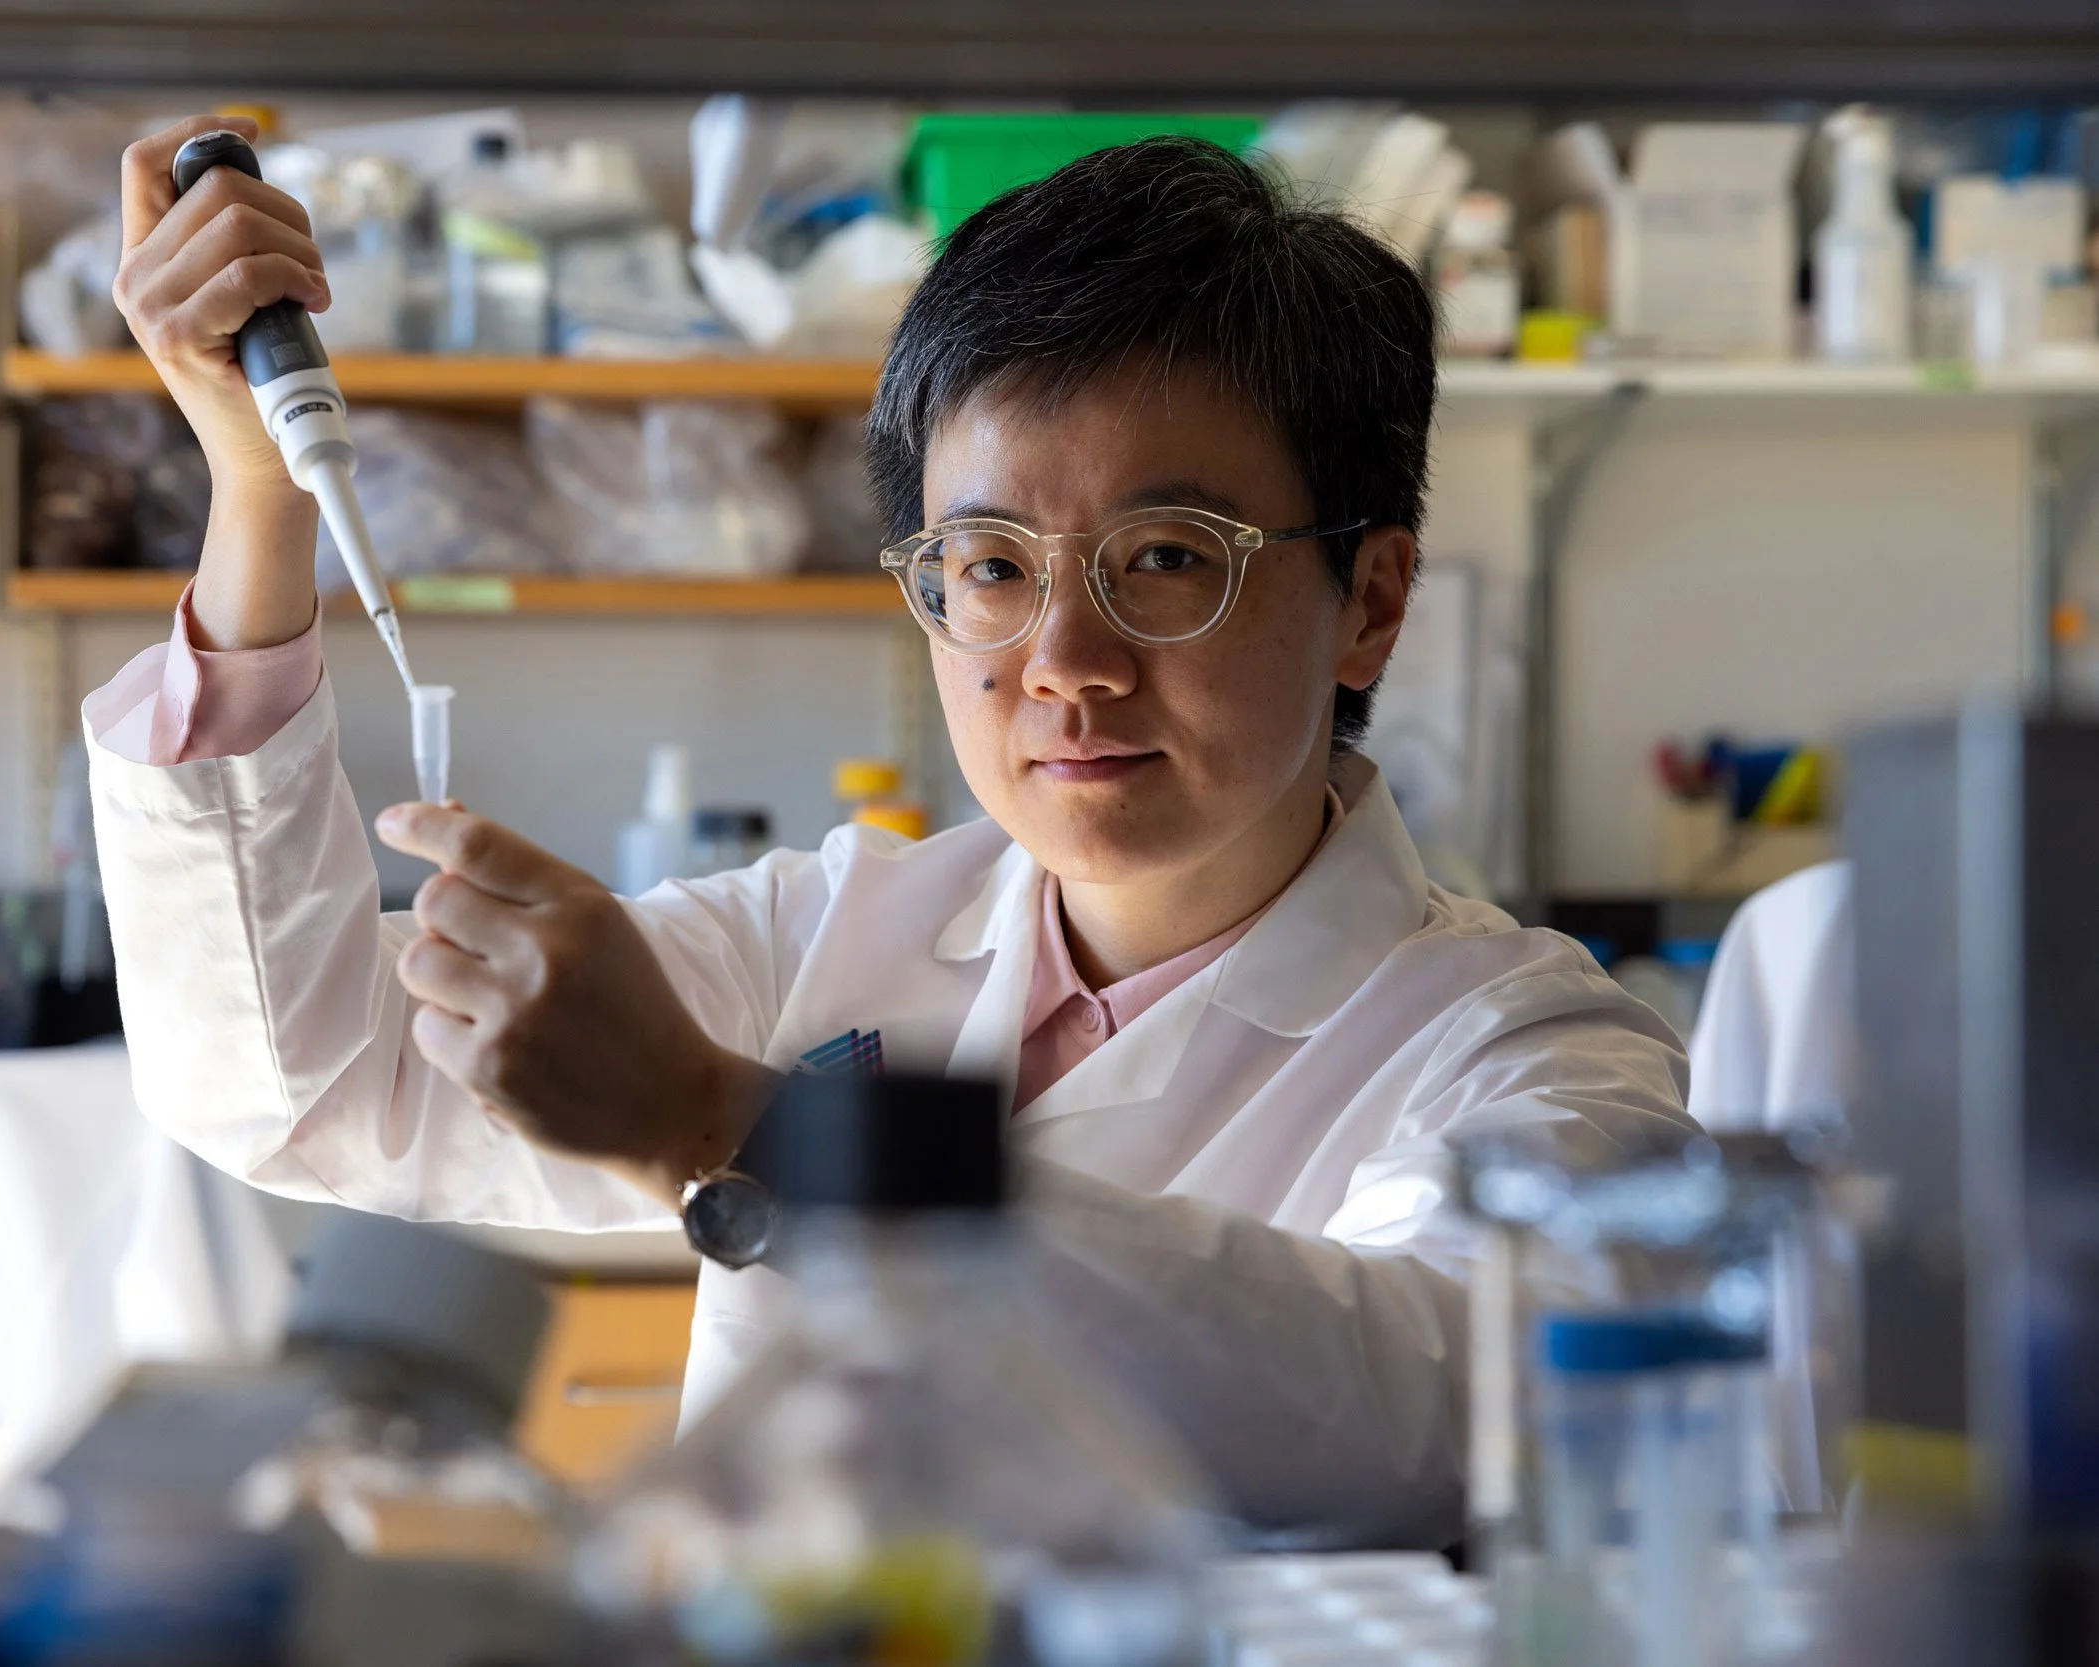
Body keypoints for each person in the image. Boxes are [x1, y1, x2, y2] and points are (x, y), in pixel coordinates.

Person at [85, 115, 1693, 1548]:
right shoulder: (827, 935)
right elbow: (290, 1080)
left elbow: (1448, 1405)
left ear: (1373, 602)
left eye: (1166, 556)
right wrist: (255, 489)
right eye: (990, 565)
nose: (1064, 658)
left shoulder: (1525, 1050)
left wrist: (743, 1127)